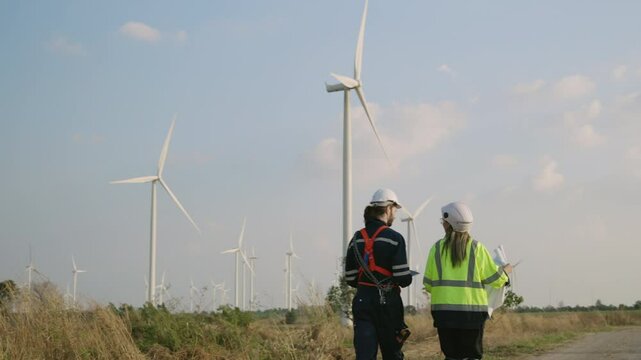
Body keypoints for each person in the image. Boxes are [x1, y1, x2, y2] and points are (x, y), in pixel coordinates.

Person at [423, 201, 513, 360]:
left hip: (443, 316)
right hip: (472, 316)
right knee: (472, 356)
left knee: (451, 356)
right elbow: (496, 280)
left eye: (443, 221)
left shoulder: (435, 249)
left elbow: (428, 285)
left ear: (448, 223)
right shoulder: (477, 249)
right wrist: (506, 271)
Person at [344, 188, 413, 360]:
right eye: (395, 210)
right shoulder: (394, 238)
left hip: (362, 301)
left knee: (365, 355)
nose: (395, 215)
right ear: (389, 208)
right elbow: (403, 278)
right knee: (392, 354)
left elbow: (351, 278)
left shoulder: (356, 239)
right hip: (388, 304)